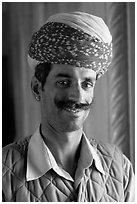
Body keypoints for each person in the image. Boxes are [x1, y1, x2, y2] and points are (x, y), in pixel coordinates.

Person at [2, 11, 135, 202]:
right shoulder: (4, 170)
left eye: (86, 84)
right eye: (64, 82)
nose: (77, 96)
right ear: (37, 88)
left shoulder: (120, 168)